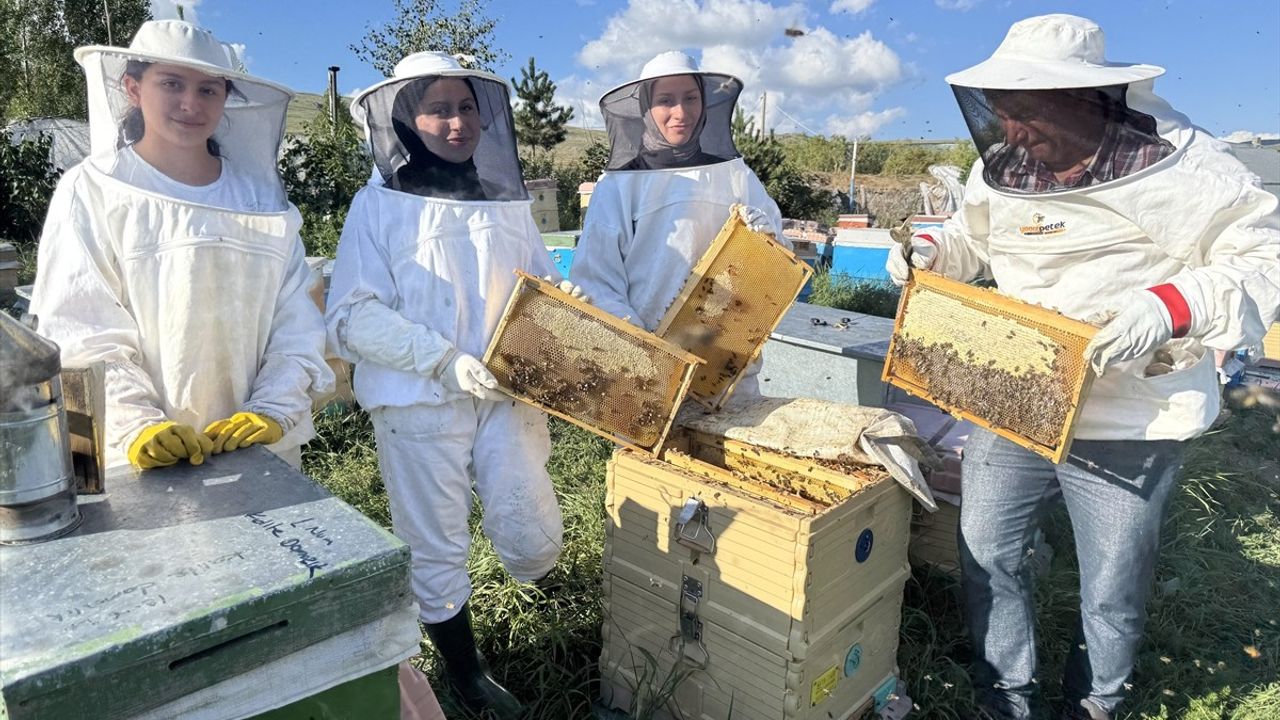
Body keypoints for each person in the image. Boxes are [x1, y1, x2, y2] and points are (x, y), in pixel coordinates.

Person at [885, 14, 1279, 720]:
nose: (1011, 128)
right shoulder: (1000, 165)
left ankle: (1097, 703)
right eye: (1001, 110)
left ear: (1087, 99)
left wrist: (1169, 304)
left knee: (1112, 582)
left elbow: (1263, 254)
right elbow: (969, 239)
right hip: (1021, 397)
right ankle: (1004, 693)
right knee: (987, 551)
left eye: (1026, 110)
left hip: (1134, 414)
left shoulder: (1186, 164)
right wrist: (932, 255)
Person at [325, 51, 578, 719]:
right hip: (417, 397)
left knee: (532, 536)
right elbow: (349, 316)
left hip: (506, 394)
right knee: (435, 544)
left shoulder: (509, 203)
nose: (457, 121)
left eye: (466, 106)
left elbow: (539, 283)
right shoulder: (375, 206)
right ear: (407, 120)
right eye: (439, 108)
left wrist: (564, 303)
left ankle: (526, 607)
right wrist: (439, 359)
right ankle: (467, 675)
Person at [31, 20, 332, 471]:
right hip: (138, 463)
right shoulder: (93, 190)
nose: (191, 103)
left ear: (226, 97)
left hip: (261, 455)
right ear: (133, 88)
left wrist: (273, 408)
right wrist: (136, 425)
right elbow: (79, 327)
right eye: (172, 84)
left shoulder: (260, 201)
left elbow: (295, 323)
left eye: (209, 90)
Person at [572, 51, 784, 386]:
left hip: (725, 363)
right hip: (644, 371)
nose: (680, 113)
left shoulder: (734, 174)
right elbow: (597, 281)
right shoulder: (618, 185)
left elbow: (779, 256)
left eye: (690, 98)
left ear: (704, 104)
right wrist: (646, 350)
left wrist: (767, 238)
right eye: (665, 101)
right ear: (645, 108)